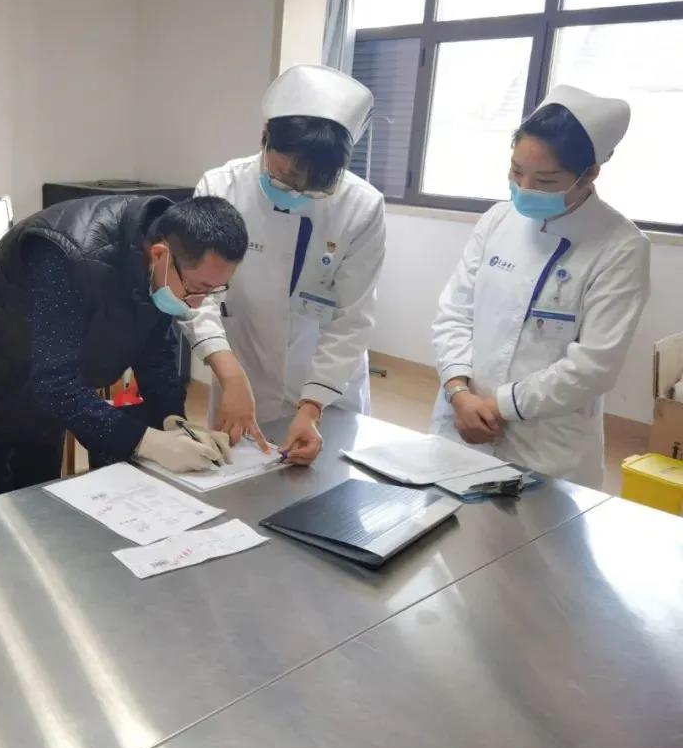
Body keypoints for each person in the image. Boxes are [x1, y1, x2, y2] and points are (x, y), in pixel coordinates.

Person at [0, 194, 249, 507]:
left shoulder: (162, 263)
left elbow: (155, 351)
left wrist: (174, 420)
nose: (197, 303)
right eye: (197, 288)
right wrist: (148, 442)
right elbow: (55, 384)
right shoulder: (66, 255)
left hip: (44, 394)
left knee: (37, 504)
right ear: (160, 254)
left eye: (214, 291)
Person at [431, 85, 650, 488]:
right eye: (516, 171)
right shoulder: (497, 220)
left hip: (546, 445)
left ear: (590, 174)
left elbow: (594, 366)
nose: (525, 188)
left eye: (546, 180)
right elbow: (454, 313)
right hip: (461, 419)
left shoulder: (621, 246)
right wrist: (459, 391)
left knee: (534, 528)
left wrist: (499, 405)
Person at [179, 64, 386, 465]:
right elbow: (196, 296)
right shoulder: (221, 188)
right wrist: (229, 373)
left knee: (327, 486)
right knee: (237, 486)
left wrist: (313, 406)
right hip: (242, 370)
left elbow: (352, 318)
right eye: (284, 176)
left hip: (326, 385)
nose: (295, 190)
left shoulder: (361, 207)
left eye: (314, 185)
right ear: (265, 137)